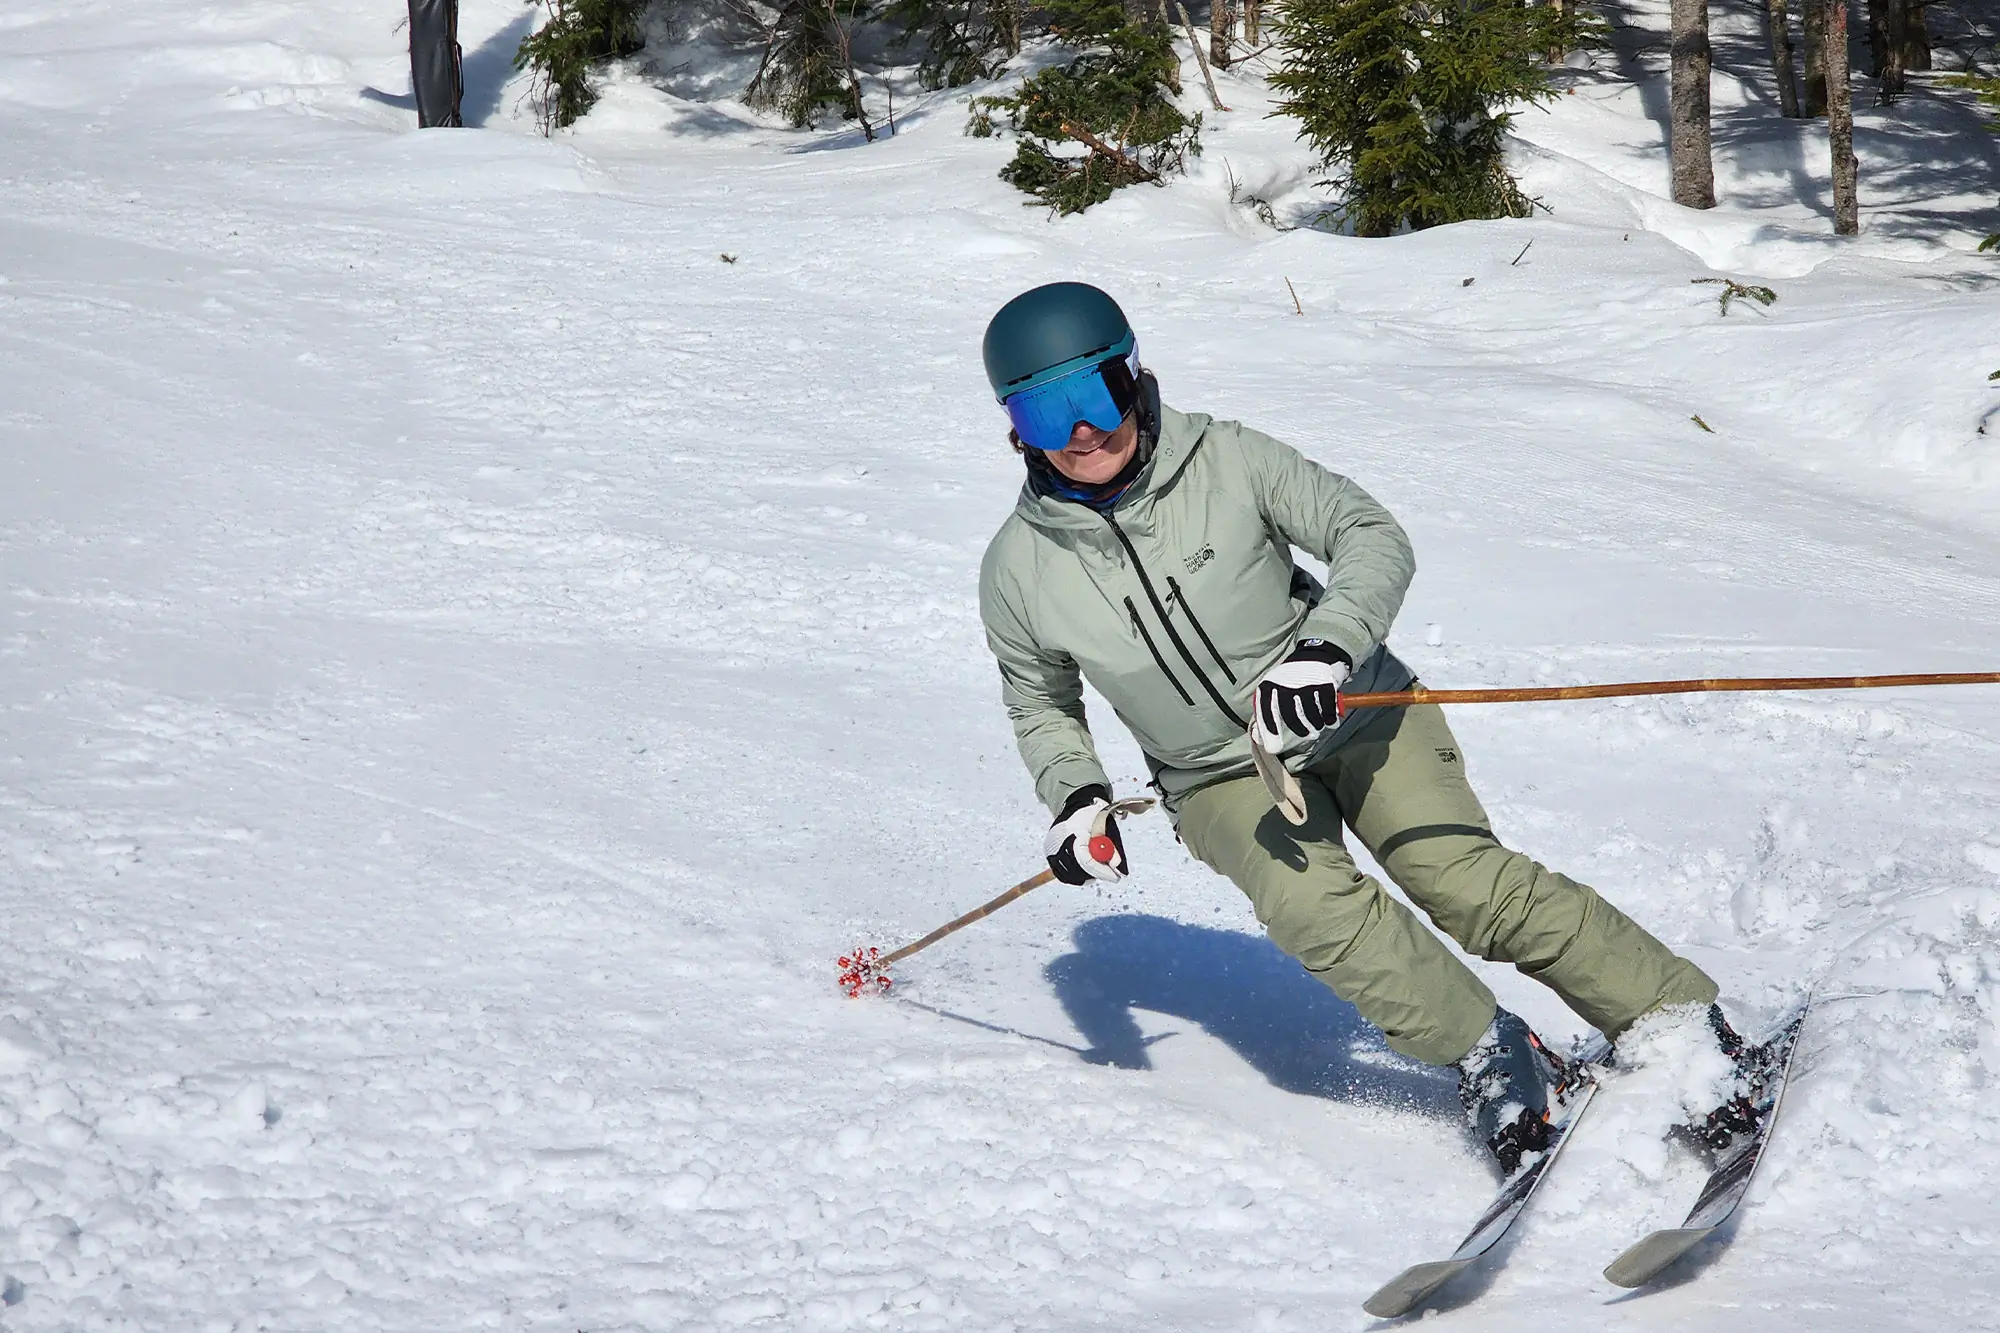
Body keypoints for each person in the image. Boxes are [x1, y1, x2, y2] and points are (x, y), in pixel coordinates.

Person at [976, 281, 1749, 1170]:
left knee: (1461, 881)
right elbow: (1039, 698)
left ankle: (1683, 1027)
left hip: (1355, 708)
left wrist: (1326, 650)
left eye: (1094, 395)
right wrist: (1075, 794)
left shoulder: (1228, 460)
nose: (1082, 433)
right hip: (1216, 776)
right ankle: (1498, 1055)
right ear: (1014, 430)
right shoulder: (1017, 568)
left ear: (1134, 375)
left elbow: (1368, 532)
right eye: (1046, 413)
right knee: (1318, 912)